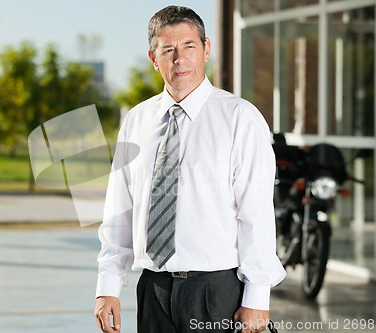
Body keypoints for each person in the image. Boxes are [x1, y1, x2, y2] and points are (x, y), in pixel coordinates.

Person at [94, 5, 286, 333]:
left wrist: (257, 297)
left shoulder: (240, 118)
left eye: (189, 46)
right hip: (153, 291)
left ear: (206, 49)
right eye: (168, 50)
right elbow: (118, 209)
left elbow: (255, 214)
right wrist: (107, 286)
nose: (179, 58)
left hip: (215, 293)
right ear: (154, 59)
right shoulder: (136, 121)